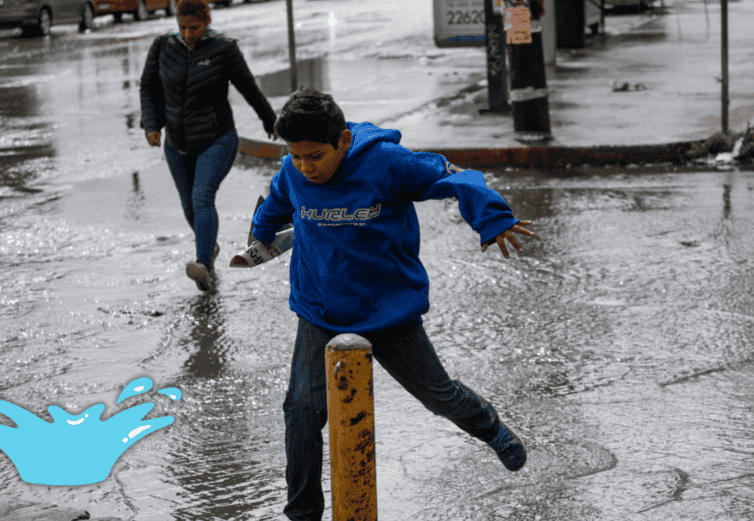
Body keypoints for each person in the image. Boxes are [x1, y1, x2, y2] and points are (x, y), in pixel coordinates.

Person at [250, 87, 534, 521]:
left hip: (388, 310)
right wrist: (260, 235)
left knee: (440, 396)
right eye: (298, 156)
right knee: (302, 411)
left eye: (316, 157)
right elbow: (274, 207)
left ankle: (492, 429)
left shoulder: (387, 164)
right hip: (320, 311)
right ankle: (302, 513)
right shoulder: (293, 172)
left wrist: (492, 218)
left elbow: (458, 177)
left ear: (343, 141)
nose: (307, 168)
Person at [139, 0, 277, 291]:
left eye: (195, 28)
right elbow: (148, 87)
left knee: (202, 196)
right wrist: (151, 125)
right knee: (189, 205)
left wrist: (270, 120)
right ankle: (208, 249)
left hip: (217, 138)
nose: (189, 34)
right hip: (176, 143)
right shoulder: (163, 46)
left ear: (207, 22)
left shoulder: (223, 49)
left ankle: (203, 264)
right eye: (183, 27)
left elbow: (248, 86)